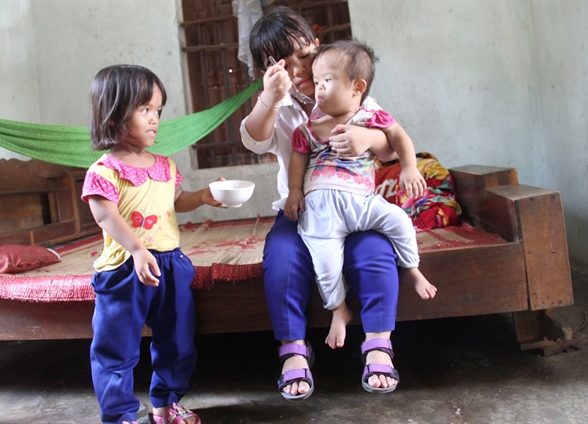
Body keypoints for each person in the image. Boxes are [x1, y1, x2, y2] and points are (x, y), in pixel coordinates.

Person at [240, 6, 421, 399]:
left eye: (304, 57)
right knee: (283, 258)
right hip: (301, 210)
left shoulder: (352, 92)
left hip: (357, 208)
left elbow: (391, 147)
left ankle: (378, 345)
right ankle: (293, 352)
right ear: (267, 73)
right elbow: (253, 137)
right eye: (285, 66)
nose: (301, 71)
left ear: (317, 48)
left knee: (374, 251)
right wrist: (270, 97)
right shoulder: (279, 105)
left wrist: (368, 140)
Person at [82, 64, 220, 424]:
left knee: (177, 341)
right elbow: (106, 216)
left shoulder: (164, 165)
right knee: (116, 350)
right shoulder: (104, 171)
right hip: (125, 270)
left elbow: (176, 200)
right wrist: (136, 249)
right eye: (144, 109)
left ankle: (166, 404)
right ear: (113, 116)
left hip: (170, 265)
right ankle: (121, 415)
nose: (155, 119)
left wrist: (203, 195)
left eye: (158, 110)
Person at [284, 39, 437, 359]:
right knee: (324, 264)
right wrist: (295, 191)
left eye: (327, 80)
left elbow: (399, 136)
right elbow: (297, 159)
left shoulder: (370, 114)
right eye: (317, 80)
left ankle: (410, 267)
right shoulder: (309, 126)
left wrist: (409, 167)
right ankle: (339, 309)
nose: (319, 87)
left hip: (362, 202)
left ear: (357, 87)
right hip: (321, 211)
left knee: (399, 220)